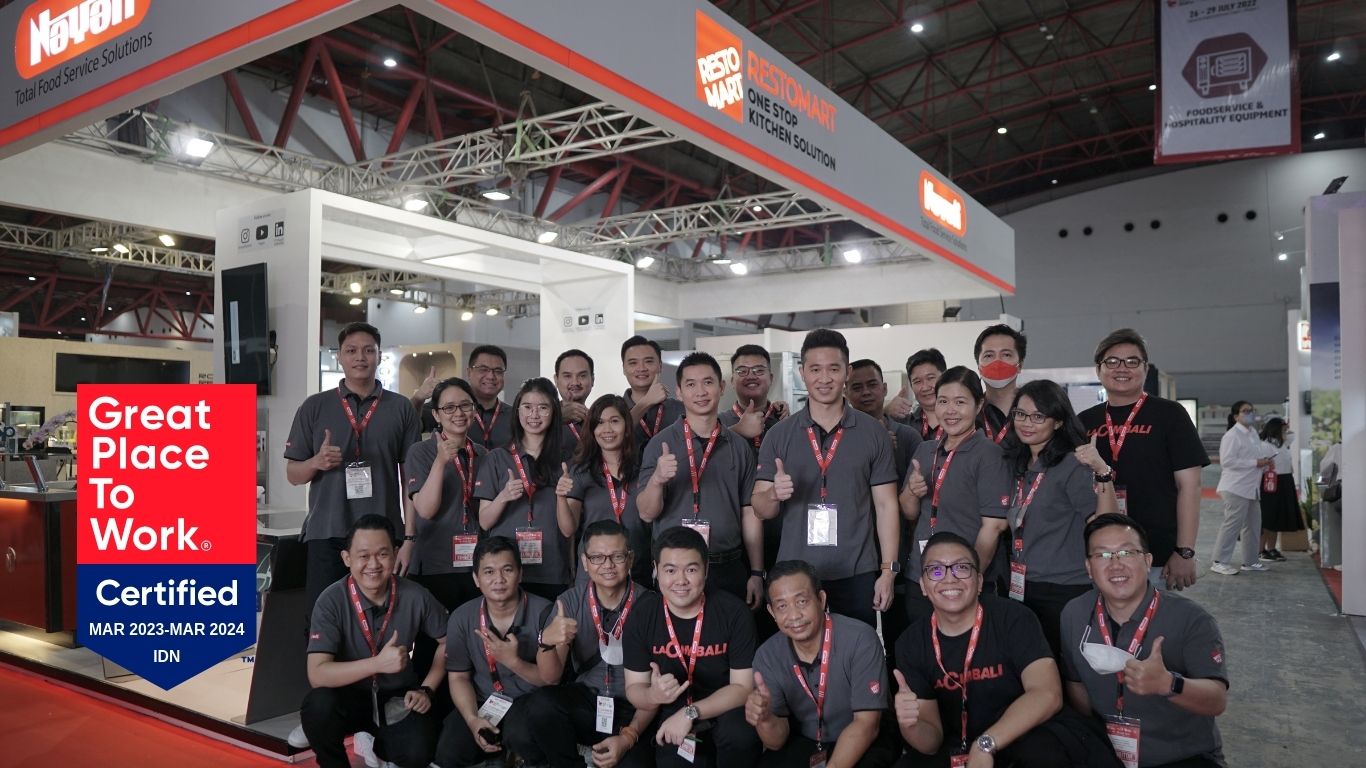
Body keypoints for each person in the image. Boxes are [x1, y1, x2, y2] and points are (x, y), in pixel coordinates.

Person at [894, 532, 1113, 768]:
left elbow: (1047, 694)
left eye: (962, 568)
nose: (949, 578)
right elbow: (931, 743)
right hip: (960, 743)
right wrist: (911, 725)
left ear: (979, 581)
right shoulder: (911, 643)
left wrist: (986, 744)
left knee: (1042, 753)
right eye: (936, 570)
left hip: (1024, 734)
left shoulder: (1014, 618)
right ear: (923, 586)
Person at [752, 330, 900, 628]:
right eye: (815, 369)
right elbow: (760, 509)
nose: (824, 378)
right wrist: (773, 495)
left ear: (847, 372)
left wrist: (888, 571)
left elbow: (886, 506)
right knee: (799, 652)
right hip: (795, 574)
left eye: (833, 369)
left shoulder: (873, 433)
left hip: (856, 570)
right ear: (802, 373)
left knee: (855, 649)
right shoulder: (778, 435)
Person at [1061, 514, 1229, 768]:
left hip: (1180, 756)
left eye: (1127, 553)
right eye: (1103, 555)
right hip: (1106, 753)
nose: (1115, 565)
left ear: (1148, 561)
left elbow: (1216, 700)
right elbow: (1076, 684)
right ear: (1088, 567)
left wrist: (1168, 684)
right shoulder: (1074, 613)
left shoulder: (1191, 619)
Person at [285, 322, 422, 612]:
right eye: (351, 351)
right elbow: (293, 475)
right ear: (339, 357)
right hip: (328, 532)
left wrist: (409, 537)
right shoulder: (314, 407)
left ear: (379, 356)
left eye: (368, 350)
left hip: (383, 534)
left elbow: (410, 481)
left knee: (383, 617)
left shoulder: (401, 408)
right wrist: (316, 462)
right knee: (322, 618)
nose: (360, 357)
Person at [505, 520, 657, 767]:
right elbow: (551, 677)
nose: (607, 565)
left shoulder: (650, 604)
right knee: (538, 708)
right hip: (588, 699)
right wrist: (546, 642)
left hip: (635, 707)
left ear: (630, 559)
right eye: (597, 557)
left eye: (617, 556)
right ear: (585, 562)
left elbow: (657, 686)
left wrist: (629, 736)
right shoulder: (569, 601)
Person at [301, 515, 448, 768]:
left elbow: (450, 641)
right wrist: (377, 664)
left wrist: (427, 688)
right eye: (363, 556)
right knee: (318, 707)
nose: (373, 564)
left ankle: (381, 746)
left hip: (396, 697)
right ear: (347, 558)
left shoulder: (416, 595)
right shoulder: (330, 600)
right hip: (347, 696)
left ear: (395, 554)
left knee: (420, 751)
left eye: (382, 554)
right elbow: (317, 674)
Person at [1077, 329, 1209, 591]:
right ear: (1099, 370)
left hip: (1157, 553)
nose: (1121, 368)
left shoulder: (1170, 415)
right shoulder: (1085, 421)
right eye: (1112, 361)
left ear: (1145, 369)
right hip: (1100, 550)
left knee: (1153, 617)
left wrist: (1184, 551)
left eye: (1132, 361)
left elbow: (1190, 487)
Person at [623, 526, 760, 767]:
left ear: (706, 570)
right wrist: (653, 695)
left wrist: (690, 713)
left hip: (724, 708)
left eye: (691, 570)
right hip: (670, 713)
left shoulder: (734, 613)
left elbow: (742, 688)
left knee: (740, 734)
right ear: (656, 570)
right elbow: (634, 689)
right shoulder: (643, 614)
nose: (681, 581)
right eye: (670, 570)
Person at [999, 380, 1118, 656]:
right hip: (1022, 584)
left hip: (1064, 589)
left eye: (1038, 416)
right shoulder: (1018, 463)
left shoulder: (1072, 465)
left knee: (1062, 666)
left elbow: (1105, 525)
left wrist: (1102, 471)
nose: (1027, 423)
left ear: (1058, 422)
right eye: (1020, 414)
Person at [746, 560, 900, 768]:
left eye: (802, 601)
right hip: (807, 741)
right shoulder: (766, 656)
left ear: (821, 599)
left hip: (863, 738)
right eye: (782, 606)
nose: (794, 615)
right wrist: (765, 720)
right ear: (772, 612)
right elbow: (776, 742)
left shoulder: (860, 639)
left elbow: (867, 725)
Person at [638, 352, 763, 605]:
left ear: (721, 387)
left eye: (708, 382)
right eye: (691, 384)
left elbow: (749, 513)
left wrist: (757, 572)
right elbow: (646, 513)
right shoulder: (660, 444)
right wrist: (657, 479)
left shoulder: (739, 447)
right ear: (679, 392)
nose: (700, 392)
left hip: (728, 566)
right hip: (676, 572)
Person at [899, 367, 1011, 621]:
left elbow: (993, 527)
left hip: (962, 579)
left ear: (978, 405)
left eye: (960, 402)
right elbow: (909, 512)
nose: (950, 410)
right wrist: (913, 492)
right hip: (921, 575)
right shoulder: (925, 451)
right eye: (943, 401)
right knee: (923, 641)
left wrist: (971, 577)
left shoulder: (989, 455)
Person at [435, 536, 555, 768]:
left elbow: (552, 681)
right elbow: (458, 677)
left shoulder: (546, 613)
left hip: (530, 699)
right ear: (476, 579)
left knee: (521, 737)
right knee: (449, 751)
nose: (498, 579)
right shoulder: (461, 617)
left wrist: (513, 661)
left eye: (507, 570)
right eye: (488, 572)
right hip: (485, 699)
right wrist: (472, 720)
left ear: (520, 574)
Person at [405, 377, 488, 691]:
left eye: (465, 405)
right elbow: (425, 509)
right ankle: (425, 703)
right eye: (449, 407)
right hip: (435, 564)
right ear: (436, 414)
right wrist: (441, 462)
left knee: (472, 642)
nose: (459, 413)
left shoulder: (483, 453)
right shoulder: (421, 452)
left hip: (474, 566)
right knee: (433, 645)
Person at [475, 377, 572, 600]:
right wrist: (503, 496)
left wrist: (561, 496)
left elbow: (568, 530)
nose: (534, 415)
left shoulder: (566, 461)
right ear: (517, 411)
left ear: (554, 412)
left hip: (552, 570)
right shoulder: (497, 458)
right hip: (505, 572)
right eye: (527, 407)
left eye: (543, 408)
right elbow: (485, 522)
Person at [559, 395, 653, 585]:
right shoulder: (581, 471)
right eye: (600, 423)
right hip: (594, 573)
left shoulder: (644, 467)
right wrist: (561, 497)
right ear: (592, 429)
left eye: (614, 421)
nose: (607, 429)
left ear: (627, 426)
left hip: (637, 569)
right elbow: (568, 529)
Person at [1210, 402, 1275, 576]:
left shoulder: (1253, 433)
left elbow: (1254, 457)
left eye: (1251, 411)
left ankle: (1251, 561)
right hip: (1235, 487)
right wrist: (1255, 463)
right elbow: (1227, 461)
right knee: (1232, 525)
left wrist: (1265, 462)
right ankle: (1219, 561)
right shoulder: (1232, 435)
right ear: (1235, 416)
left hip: (1252, 487)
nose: (1249, 413)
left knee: (1253, 525)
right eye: (1245, 411)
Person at [621, 335, 686, 458]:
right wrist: (646, 402)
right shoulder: (611, 410)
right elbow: (616, 435)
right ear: (624, 368)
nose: (641, 368)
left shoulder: (680, 409)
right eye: (633, 363)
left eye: (649, 361)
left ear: (660, 366)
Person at [719, 343, 790, 452]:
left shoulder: (784, 420)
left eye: (759, 370)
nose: (751, 376)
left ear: (771, 378)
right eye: (742, 371)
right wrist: (735, 431)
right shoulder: (718, 423)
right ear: (732, 381)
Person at [1256, 417, 1300, 562]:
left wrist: (1285, 425)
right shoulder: (1265, 445)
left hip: (1285, 481)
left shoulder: (1282, 443)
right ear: (1276, 430)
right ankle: (1260, 550)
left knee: (1277, 517)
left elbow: (1292, 435)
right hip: (1271, 482)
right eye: (1283, 430)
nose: (1286, 433)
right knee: (1268, 517)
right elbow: (1261, 465)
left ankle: (1271, 548)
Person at [975, 325, 1028, 445]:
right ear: (979, 367)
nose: (997, 363)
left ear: (1020, 365)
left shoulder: (1038, 411)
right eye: (989, 355)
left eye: (1006, 355)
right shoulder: (970, 413)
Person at [889, 348, 947, 441]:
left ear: (945, 378)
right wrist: (886, 411)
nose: (925, 387)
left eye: (930, 378)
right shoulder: (902, 424)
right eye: (917, 381)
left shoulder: (962, 418)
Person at [467, 344, 513, 450]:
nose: (491, 376)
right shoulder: (452, 410)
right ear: (469, 372)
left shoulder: (515, 416)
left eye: (498, 371)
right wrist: (425, 396)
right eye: (483, 369)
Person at [555, 348, 596, 444]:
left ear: (592, 380)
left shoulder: (597, 420)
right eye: (567, 376)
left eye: (582, 376)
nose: (575, 382)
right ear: (556, 380)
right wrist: (557, 418)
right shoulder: (539, 418)